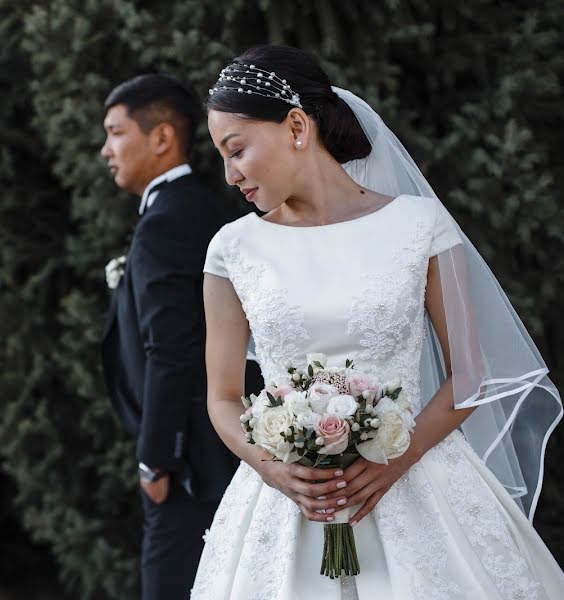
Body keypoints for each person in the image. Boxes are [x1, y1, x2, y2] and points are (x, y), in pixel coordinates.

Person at [192, 44, 564, 599]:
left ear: (296, 125)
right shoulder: (232, 249)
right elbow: (222, 397)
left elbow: (470, 371)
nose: (229, 174)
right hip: (289, 502)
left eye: (237, 149)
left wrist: (398, 458)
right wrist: (273, 468)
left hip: (419, 486)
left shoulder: (421, 225)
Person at [98, 73, 264, 599]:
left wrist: (157, 459)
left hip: (189, 461)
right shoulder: (206, 206)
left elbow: (172, 350)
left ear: (162, 137)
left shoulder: (168, 220)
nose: (106, 150)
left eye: (116, 133)